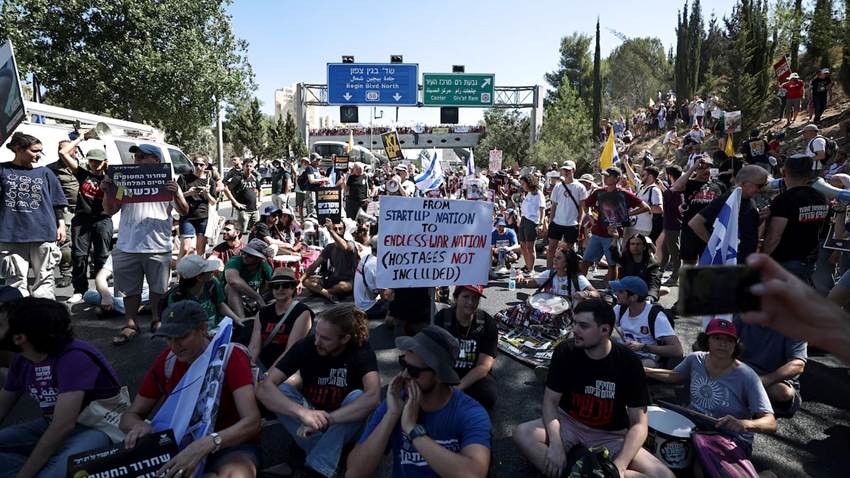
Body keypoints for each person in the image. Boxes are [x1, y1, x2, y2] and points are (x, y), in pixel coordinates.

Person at [513, 299, 674, 478]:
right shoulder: (565, 352)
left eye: (583, 325)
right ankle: (585, 470)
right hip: (568, 424)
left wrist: (618, 467)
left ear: (605, 330)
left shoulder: (629, 363)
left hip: (610, 435)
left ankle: (577, 470)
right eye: (574, 323)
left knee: (664, 476)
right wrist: (556, 444)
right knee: (523, 433)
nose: (574, 330)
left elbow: (639, 424)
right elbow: (550, 402)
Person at [120, 301, 262, 478]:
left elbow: (252, 421)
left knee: (238, 474)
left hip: (229, 444)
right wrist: (139, 426)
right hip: (178, 445)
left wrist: (208, 443)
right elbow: (129, 416)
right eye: (168, 338)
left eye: (182, 336)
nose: (174, 346)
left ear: (203, 328)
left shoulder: (230, 357)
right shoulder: (167, 362)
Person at [347, 325, 491, 478]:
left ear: (439, 375)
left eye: (414, 371)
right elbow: (354, 472)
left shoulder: (470, 413)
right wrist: (391, 415)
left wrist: (412, 430)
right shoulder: (395, 403)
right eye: (403, 365)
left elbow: (474, 474)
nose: (404, 375)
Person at [0, 298, 121, 477]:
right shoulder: (22, 358)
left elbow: (63, 426)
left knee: (54, 472)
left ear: (19, 338)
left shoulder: (73, 358)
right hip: (53, 426)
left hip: (97, 427)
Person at [256, 304, 380, 478]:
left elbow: (373, 397)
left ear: (345, 339)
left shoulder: (360, 349)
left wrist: (328, 420)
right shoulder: (307, 345)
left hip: (343, 423)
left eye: (325, 338)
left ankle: (318, 466)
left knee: (358, 396)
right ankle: (327, 454)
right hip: (309, 420)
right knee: (281, 390)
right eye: (317, 334)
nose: (317, 342)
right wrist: (302, 413)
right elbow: (264, 388)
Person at [645, 319, 776, 472]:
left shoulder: (747, 376)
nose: (723, 344)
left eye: (729, 340)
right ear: (706, 340)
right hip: (694, 426)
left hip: (729, 437)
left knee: (701, 467)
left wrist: (744, 424)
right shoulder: (695, 359)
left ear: (736, 345)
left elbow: (771, 423)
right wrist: (647, 370)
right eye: (717, 338)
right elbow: (675, 375)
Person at [102, 143, 189, 345]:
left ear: (156, 160)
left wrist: (176, 193)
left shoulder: (168, 181)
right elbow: (110, 210)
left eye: (143, 157)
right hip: (127, 245)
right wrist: (107, 192)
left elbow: (184, 211)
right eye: (136, 157)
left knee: (157, 288)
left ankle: (157, 319)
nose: (138, 160)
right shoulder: (125, 181)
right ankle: (130, 324)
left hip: (158, 245)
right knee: (129, 290)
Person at [0, 132, 68, 299]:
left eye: (40, 151)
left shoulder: (45, 173)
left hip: (43, 232)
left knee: (45, 278)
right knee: (15, 280)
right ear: (18, 149)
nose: (39, 155)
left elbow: (57, 202)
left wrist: (61, 225)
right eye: (35, 151)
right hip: (11, 234)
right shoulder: (3, 170)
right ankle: (16, 318)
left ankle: (44, 317)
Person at [57, 134, 112, 305]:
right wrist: (81, 137)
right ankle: (79, 290)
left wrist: (109, 186)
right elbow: (63, 153)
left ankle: (101, 289)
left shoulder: (112, 178)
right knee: (79, 256)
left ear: (105, 161)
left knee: (101, 257)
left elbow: (123, 197)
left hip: (103, 220)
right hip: (82, 220)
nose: (94, 164)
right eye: (91, 161)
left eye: (97, 161)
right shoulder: (83, 174)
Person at [763, 154, 828, 282]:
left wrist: (762, 258)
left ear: (784, 173)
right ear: (810, 174)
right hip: (810, 261)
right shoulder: (821, 197)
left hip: (785, 264)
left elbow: (774, 237)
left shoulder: (784, 200)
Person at [432, 285, 498, 410]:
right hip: (447, 372)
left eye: (475, 298)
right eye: (466, 296)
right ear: (456, 298)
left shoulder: (487, 323)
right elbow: (432, 355)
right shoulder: (442, 318)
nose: (470, 302)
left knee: (488, 395)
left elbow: (483, 366)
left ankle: (450, 401)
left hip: (472, 375)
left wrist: (458, 388)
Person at [580, 167, 650, 284]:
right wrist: (590, 217)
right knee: (585, 261)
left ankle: (611, 290)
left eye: (608, 175)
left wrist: (626, 214)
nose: (605, 178)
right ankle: (580, 286)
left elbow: (645, 207)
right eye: (604, 175)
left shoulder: (624, 194)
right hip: (597, 233)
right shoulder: (598, 192)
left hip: (613, 236)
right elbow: (585, 204)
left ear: (617, 178)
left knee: (612, 265)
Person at [689, 166, 768, 264]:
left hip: (745, 263)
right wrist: (716, 247)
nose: (762, 189)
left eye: (765, 185)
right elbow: (695, 223)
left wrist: (760, 218)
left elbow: (744, 225)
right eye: (760, 186)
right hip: (730, 264)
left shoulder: (748, 199)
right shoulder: (727, 200)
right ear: (744, 183)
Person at [733, 316, 806, 418]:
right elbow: (725, 340)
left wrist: (763, 380)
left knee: (783, 392)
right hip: (745, 371)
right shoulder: (743, 316)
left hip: (774, 380)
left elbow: (798, 364)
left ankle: (744, 398)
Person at [610, 276, 682, 367]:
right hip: (624, 352)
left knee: (644, 365)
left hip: (646, 359)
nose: (616, 294)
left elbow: (677, 350)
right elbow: (603, 324)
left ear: (634, 297)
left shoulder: (656, 316)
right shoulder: (620, 308)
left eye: (621, 291)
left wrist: (642, 347)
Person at [250, 267, 313, 370]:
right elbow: (254, 346)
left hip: (288, 368)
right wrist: (249, 366)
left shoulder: (302, 312)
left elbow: (290, 351)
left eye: (285, 285)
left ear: (293, 288)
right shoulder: (262, 313)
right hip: (263, 365)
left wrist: (269, 376)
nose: (280, 289)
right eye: (276, 286)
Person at [671, 155, 726, 267]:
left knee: (708, 264)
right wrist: (692, 168)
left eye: (708, 167)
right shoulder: (689, 183)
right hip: (690, 231)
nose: (706, 170)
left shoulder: (719, 185)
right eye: (701, 167)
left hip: (710, 231)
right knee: (688, 265)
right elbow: (676, 187)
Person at [163, 254, 236, 336]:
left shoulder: (212, 284)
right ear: (199, 278)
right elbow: (180, 327)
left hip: (217, 330)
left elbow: (220, 304)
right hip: (196, 338)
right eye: (208, 270)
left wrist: (237, 319)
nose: (212, 272)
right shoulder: (177, 298)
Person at [300, 219, 358, 302]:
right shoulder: (330, 247)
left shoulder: (350, 243)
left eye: (340, 229)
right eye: (335, 229)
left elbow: (345, 247)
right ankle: (328, 294)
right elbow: (314, 265)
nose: (337, 231)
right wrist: (300, 280)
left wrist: (331, 230)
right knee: (307, 281)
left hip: (348, 281)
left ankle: (324, 292)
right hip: (333, 279)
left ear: (344, 230)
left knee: (342, 286)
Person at [516, 245, 598, 302]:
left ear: (567, 262)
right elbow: (532, 282)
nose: (554, 260)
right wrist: (522, 279)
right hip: (550, 310)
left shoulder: (577, 278)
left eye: (558, 258)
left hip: (569, 315)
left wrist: (586, 293)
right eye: (554, 257)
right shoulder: (550, 273)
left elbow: (597, 294)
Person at [48, 139, 79, 290]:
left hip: (86, 210)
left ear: (75, 150)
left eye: (68, 148)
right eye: (61, 148)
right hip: (67, 211)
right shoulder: (51, 169)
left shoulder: (84, 166)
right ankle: (66, 273)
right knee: (65, 243)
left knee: (89, 243)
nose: (63, 151)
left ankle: (95, 268)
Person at [82, 253, 150, 316]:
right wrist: (106, 297)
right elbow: (101, 277)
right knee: (89, 295)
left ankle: (117, 308)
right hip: (122, 293)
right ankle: (141, 308)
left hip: (146, 292)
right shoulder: (117, 253)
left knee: (157, 295)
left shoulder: (149, 250)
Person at [547, 161, 586, 269]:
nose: (566, 172)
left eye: (568, 170)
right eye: (564, 170)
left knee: (568, 251)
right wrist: (551, 221)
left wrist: (579, 222)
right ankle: (548, 272)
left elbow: (582, 207)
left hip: (571, 223)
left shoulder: (580, 187)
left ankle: (567, 272)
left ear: (573, 170)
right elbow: (554, 205)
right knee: (551, 249)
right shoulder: (558, 186)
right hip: (557, 222)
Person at [177, 154, 218, 257]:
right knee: (186, 248)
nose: (198, 167)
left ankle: (199, 272)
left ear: (206, 165)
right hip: (187, 216)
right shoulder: (184, 178)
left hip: (203, 216)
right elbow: (176, 196)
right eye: (196, 164)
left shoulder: (210, 181)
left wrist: (206, 194)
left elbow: (213, 201)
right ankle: (180, 272)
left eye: (201, 164)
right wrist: (189, 193)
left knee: (200, 250)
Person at [223, 238, 273, 318]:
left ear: (259, 258)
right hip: (227, 300)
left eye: (250, 255)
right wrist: (257, 297)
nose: (245, 256)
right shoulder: (235, 260)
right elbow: (233, 281)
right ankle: (242, 321)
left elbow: (274, 284)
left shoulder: (264, 266)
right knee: (231, 287)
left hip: (250, 299)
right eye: (244, 253)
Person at [609, 232, 665, 301]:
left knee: (666, 290)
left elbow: (653, 284)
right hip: (626, 291)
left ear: (644, 247)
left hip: (642, 293)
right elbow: (614, 255)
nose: (635, 246)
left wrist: (650, 297)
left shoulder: (652, 264)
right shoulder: (625, 258)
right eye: (632, 244)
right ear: (629, 246)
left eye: (638, 244)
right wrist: (615, 237)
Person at [354, 237, 391, 320]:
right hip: (369, 309)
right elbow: (384, 296)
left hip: (360, 305)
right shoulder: (378, 265)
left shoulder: (366, 258)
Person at [659, 166, 684, 285]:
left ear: (669, 176)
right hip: (669, 224)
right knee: (665, 249)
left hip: (673, 224)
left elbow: (670, 198)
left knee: (674, 252)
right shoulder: (676, 189)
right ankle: (660, 272)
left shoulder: (675, 190)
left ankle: (675, 277)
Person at [517, 174, 547, 273]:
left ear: (529, 183)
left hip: (532, 221)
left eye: (523, 183)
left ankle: (531, 269)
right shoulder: (528, 193)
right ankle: (527, 265)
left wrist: (541, 223)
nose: (522, 185)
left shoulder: (538, 194)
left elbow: (542, 210)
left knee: (530, 246)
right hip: (524, 220)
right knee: (522, 245)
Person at [226, 159, 262, 234]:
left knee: (257, 232)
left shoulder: (254, 178)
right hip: (243, 211)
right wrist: (235, 203)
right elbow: (226, 189)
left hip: (255, 210)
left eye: (250, 166)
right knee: (241, 233)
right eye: (247, 166)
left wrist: (260, 201)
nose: (248, 168)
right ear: (243, 167)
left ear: (253, 168)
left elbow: (260, 189)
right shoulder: (238, 178)